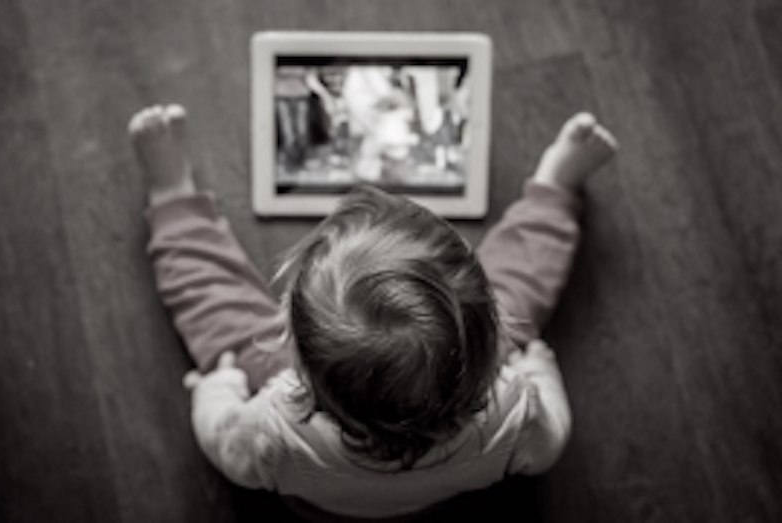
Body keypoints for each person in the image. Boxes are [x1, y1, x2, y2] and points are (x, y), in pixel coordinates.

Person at [128, 104, 618, 520]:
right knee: (521, 284)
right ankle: (555, 190)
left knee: (219, 312)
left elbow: (223, 443)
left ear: (294, 360)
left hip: (321, 496)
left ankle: (173, 198)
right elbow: (550, 444)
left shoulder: (273, 434)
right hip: (449, 470)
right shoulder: (513, 414)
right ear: (493, 339)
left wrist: (218, 389)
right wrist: (537, 369)